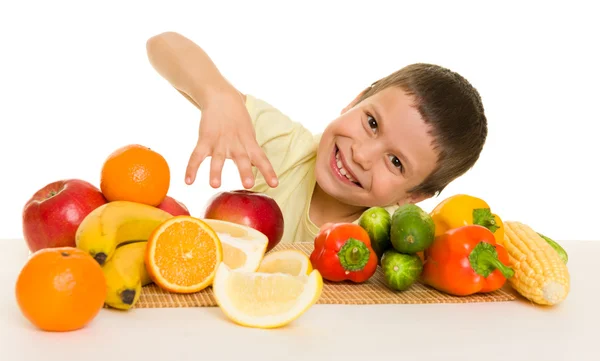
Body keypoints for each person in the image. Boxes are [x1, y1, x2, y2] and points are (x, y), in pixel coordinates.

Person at [145, 31, 488, 244]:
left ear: (413, 196)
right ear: (355, 101)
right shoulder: (287, 149)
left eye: (396, 162)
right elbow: (162, 44)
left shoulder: (391, 243)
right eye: (371, 123)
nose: (362, 155)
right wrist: (218, 95)